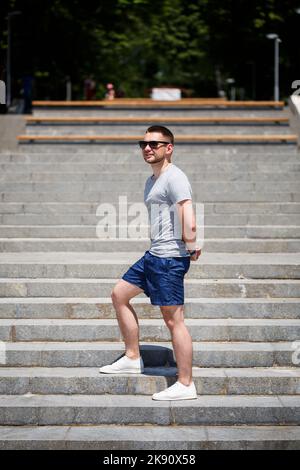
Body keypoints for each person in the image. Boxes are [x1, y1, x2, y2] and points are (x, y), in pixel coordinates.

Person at [99, 125, 202, 401]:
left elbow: (187, 212)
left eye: (154, 144)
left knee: (173, 320)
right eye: (143, 143)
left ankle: (185, 383)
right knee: (119, 293)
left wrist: (191, 245)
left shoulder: (175, 177)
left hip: (169, 259)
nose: (147, 148)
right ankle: (133, 357)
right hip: (153, 255)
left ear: (169, 148)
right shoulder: (151, 180)